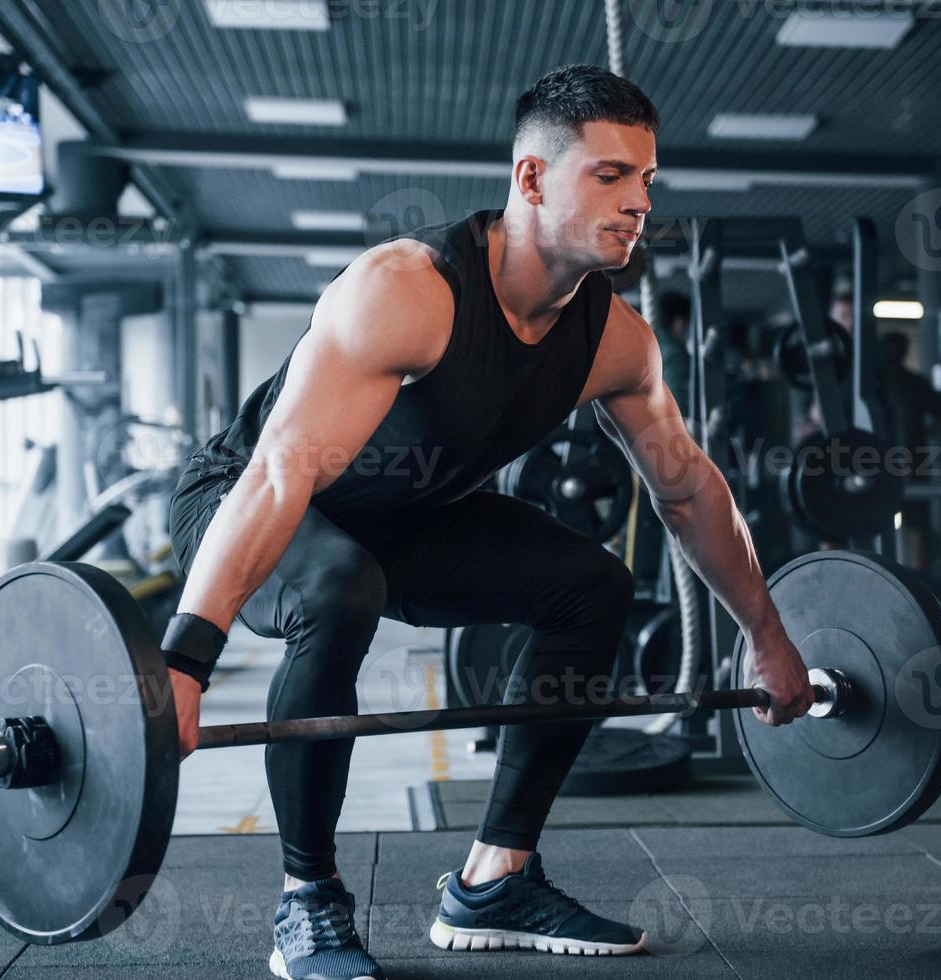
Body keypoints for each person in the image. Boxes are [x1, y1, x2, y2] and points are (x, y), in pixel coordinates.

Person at [164, 65, 814, 980]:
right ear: (533, 179)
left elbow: (689, 491)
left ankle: (495, 877)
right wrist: (186, 662)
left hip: (413, 518)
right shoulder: (408, 289)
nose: (637, 203)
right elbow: (282, 474)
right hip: (247, 499)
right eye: (609, 175)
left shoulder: (617, 341)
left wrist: (769, 638)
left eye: (647, 180)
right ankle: (307, 900)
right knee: (339, 586)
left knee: (589, 584)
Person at [877, 332, 941, 570]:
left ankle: (879, 575)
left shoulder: (869, 388)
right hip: (915, 462)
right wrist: (924, 431)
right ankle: (918, 583)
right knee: (916, 527)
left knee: (875, 521)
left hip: (874, 462)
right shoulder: (916, 383)